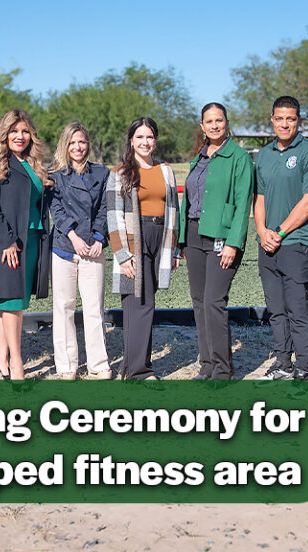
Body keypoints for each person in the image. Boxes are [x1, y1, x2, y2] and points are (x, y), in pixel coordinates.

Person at [178, 102, 254, 380]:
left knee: (214, 301)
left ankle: (222, 370)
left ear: (226, 123)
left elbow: (243, 204)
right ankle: (207, 364)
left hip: (222, 238)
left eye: (219, 120)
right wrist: (182, 240)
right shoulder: (198, 158)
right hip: (193, 235)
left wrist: (233, 243)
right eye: (209, 121)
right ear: (202, 126)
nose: (214, 125)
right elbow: (188, 199)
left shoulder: (239, 158)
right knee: (199, 302)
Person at [0, 109, 53, 380]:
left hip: (31, 239)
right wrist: (7, 240)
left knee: (11, 302)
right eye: (14, 131)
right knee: (12, 302)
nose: (20, 136)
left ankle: (0, 356)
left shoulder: (33, 164)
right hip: (6, 242)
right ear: (4, 133)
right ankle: (17, 363)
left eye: (25, 131)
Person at [253, 96, 308, 381]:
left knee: (297, 307)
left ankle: (303, 367)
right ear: (272, 120)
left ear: (299, 121)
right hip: (267, 244)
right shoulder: (264, 155)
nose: (285, 124)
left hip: (298, 242)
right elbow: (259, 198)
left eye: (291, 119)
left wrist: (280, 232)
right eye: (280, 118)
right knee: (276, 309)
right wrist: (262, 232)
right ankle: (282, 362)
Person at [106, 117, 182, 380]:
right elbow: (113, 217)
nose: (145, 142)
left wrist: (173, 250)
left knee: (146, 303)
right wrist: (122, 255)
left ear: (155, 141)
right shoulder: (119, 173)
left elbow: (174, 210)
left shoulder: (166, 170)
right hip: (133, 240)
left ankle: (131, 368)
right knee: (138, 303)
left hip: (160, 238)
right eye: (139, 137)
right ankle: (140, 372)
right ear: (131, 141)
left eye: (149, 137)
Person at [48, 122, 112, 380]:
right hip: (65, 247)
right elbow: (56, 209)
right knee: (64, 307)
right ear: (65, 145)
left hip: (93, 249)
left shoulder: (102, 173)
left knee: (94, 307)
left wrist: (98, 238)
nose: (77, 147)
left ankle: (99, 363)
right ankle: (67, 365)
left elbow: (106, 208)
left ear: (88, 144)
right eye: (72, 142)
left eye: (82, 142)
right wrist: (73, 236)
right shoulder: (55, 175)